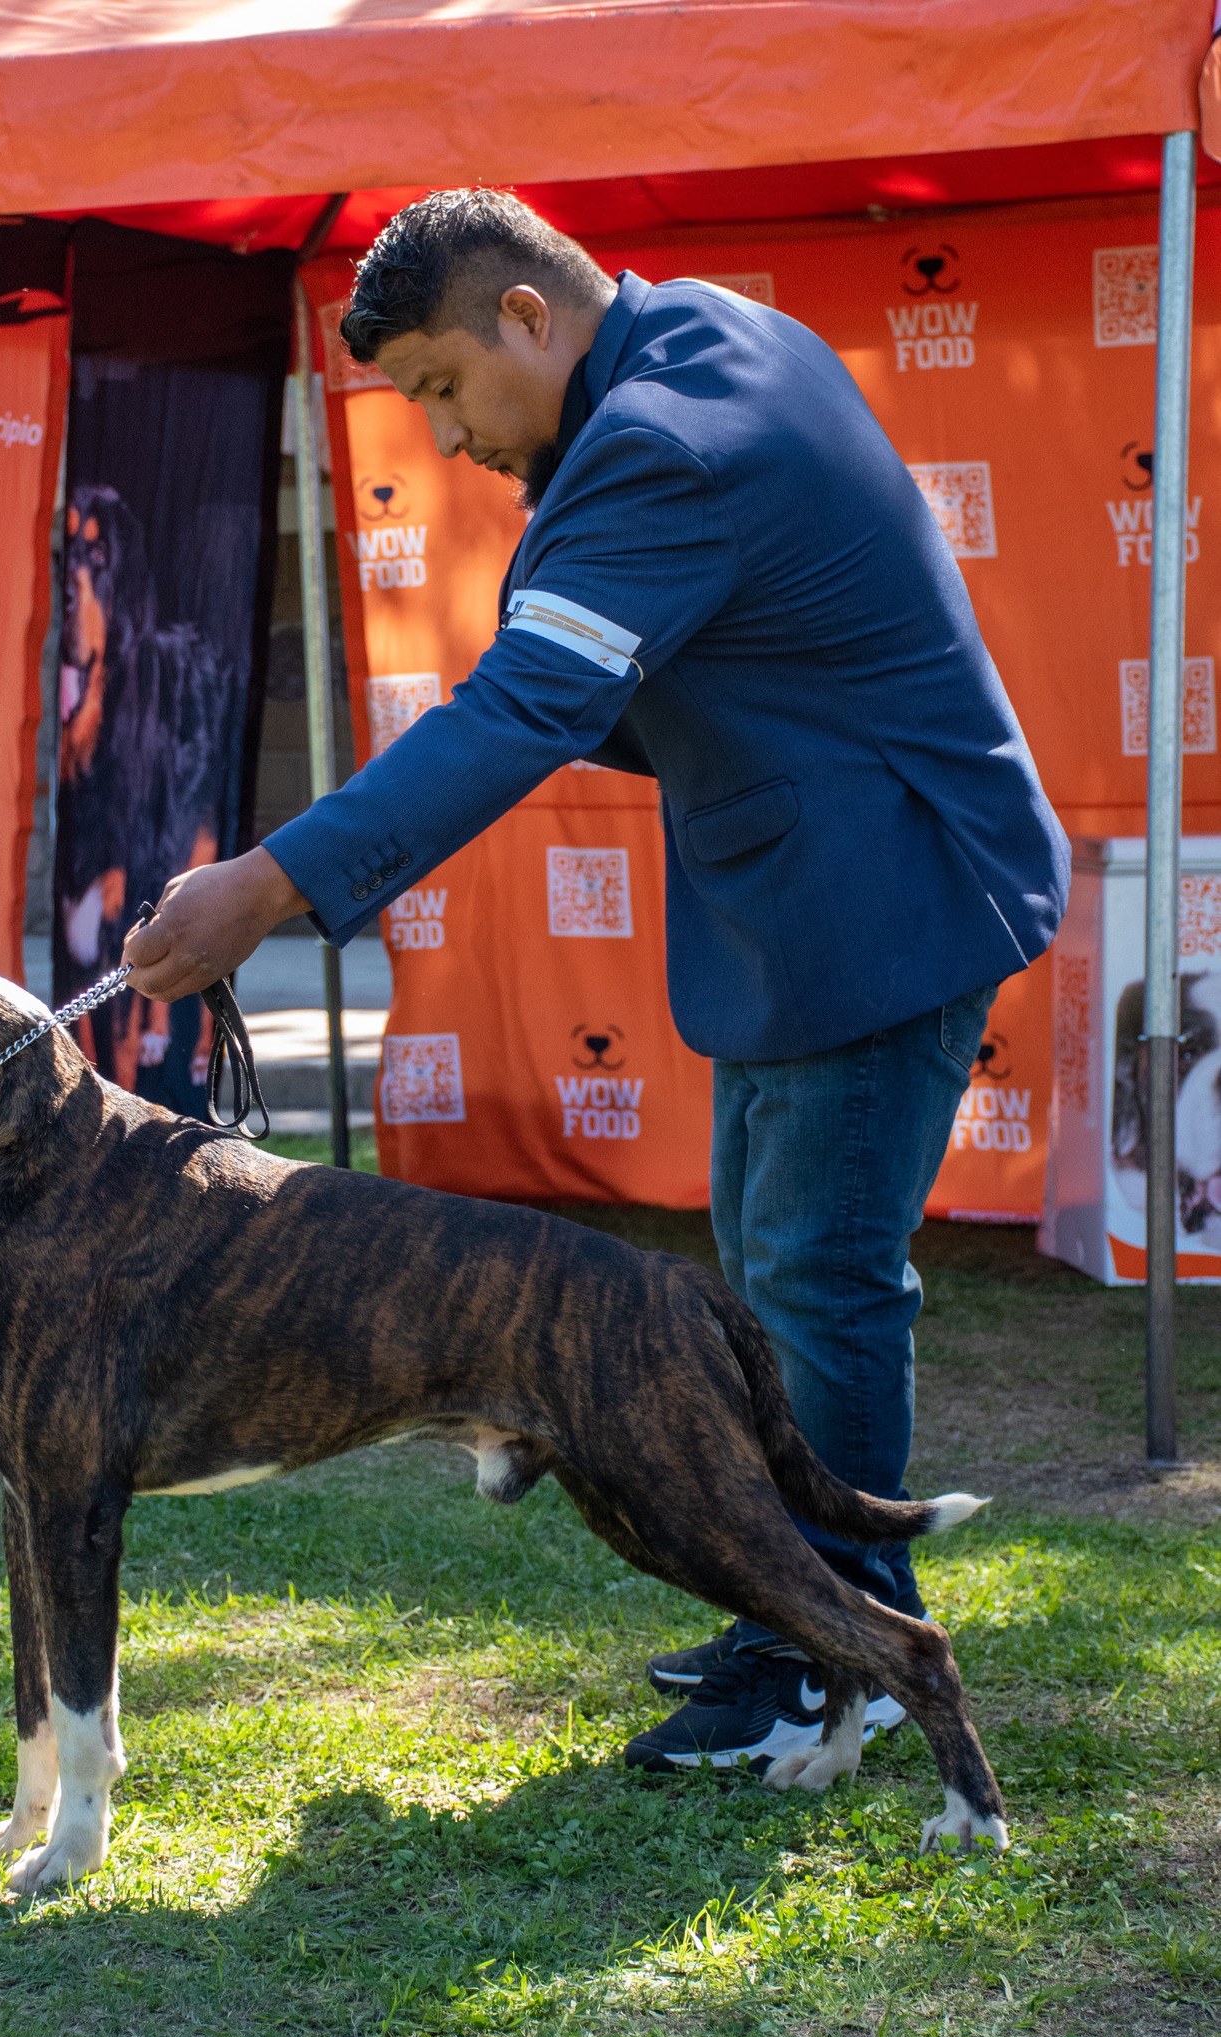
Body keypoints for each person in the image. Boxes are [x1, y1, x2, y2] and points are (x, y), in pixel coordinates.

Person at [121, 189, 1068, 1773]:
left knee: (815, 1283)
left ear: (525, 318)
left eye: (440, 387)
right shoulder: (697, 339)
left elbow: (523, 712)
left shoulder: (661, 438)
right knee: (774, 1279)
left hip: (883, 898)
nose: (443, 432)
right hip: (819, 893)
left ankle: (827, 1664)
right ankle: (812, 1608)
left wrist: (267, 888)